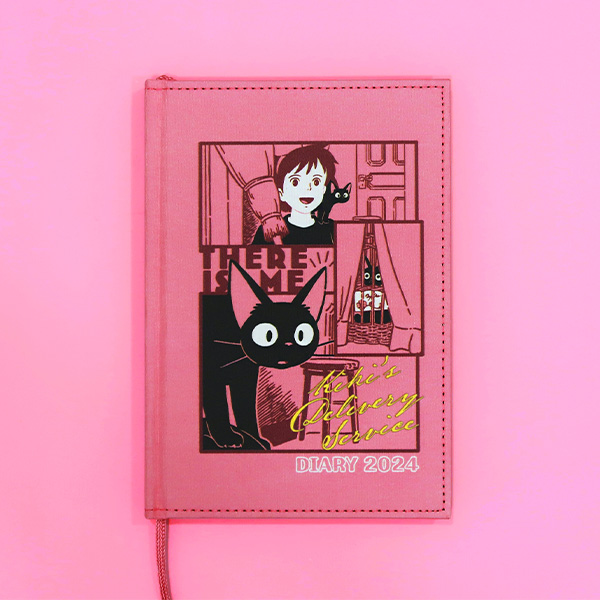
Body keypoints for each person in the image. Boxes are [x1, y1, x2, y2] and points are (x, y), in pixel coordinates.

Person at [252, 144, 338, 245]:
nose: (307, 188)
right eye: (295, 182)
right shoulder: (269, 229)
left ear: (323, 190)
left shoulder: (330, 229)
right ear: (281, 193)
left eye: (316, 182)